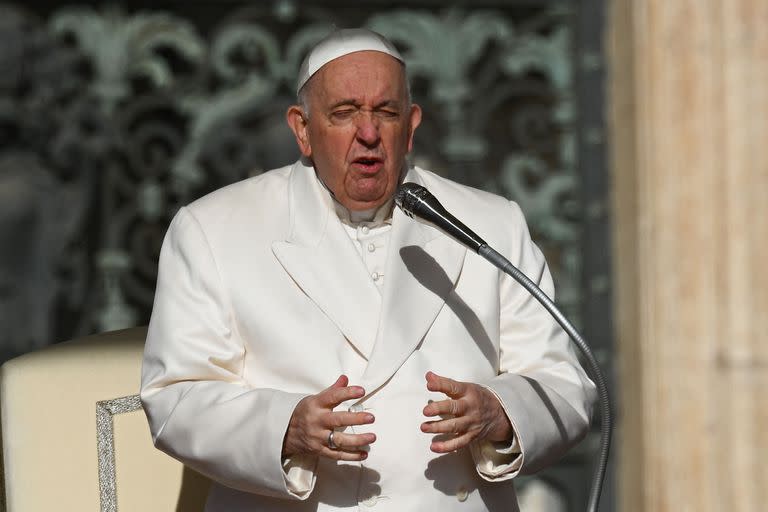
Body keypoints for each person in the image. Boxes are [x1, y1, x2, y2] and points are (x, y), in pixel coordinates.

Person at [140, 28, 596, 512]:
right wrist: (285, 426)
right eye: (343, 113)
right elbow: (175, 399)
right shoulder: (214, 229)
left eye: (386, 112)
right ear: (302, 129)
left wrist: (501, 412)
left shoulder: (490, 225)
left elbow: (563, 386)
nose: (369, 133)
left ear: (412, 125)